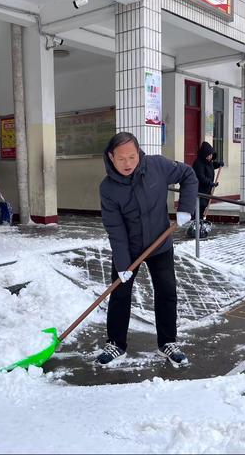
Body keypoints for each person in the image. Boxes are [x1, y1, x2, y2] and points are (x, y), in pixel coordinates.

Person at [96, 132, 198, 367]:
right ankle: (116, 344)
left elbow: (188, 174)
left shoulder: (157, 166)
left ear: (139, 152)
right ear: (111, 157)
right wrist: (122, 264)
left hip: (160, 243)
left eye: (132, 157)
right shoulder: (108, 188)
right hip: (129, 248)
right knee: (120, 293)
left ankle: (167, 342)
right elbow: (115, 228)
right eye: (121, 158)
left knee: (166, 291)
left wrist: (185, 208)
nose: (128, 164)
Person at [192, 141, 224, 220]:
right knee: (199, 206)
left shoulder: (208, 162)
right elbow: (201, 177)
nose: (210, 157)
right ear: (204, 154)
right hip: (199, 190)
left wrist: (218, 164)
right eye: (209, 155)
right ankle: (196, 223)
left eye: (211, 155)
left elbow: (211, 166)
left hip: (206, 190)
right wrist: (211, 183)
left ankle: (200, 222)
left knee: (203, 206)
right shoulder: (198, 163)